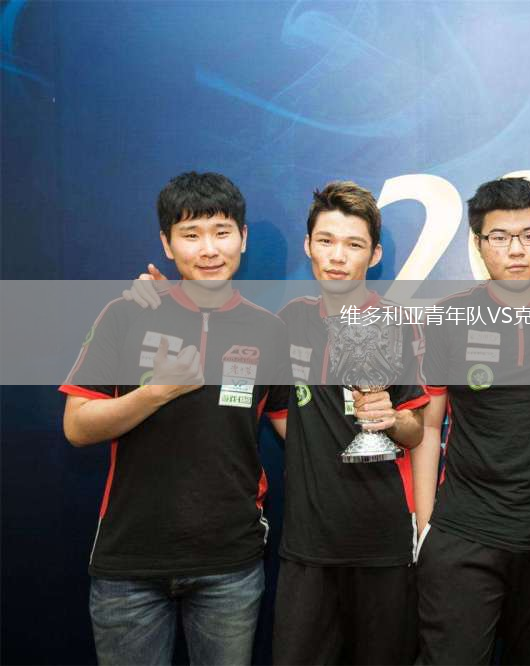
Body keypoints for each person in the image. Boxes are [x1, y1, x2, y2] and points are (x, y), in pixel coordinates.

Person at [124, 181, 429, 665]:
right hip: (306, 545)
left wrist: (391, 420)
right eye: (326, 241)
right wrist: (167, 301)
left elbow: (416, 431)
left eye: (353, 245)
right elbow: (276, 412)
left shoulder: (398, 323)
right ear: (308, 246)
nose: (337, 256)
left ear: (374, 256)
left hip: (383, 542)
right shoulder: (284, 324)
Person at [60, 172, 291, 665]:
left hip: (230, 564)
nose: (208, 249)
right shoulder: (127, 314)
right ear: (167, 244)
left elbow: (294, 429)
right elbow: (77, 427)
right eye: (190, 234)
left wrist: (385, 421)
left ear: (243, 238)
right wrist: (156, 392)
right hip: (130, 565)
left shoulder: (270, 332)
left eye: (221, 232)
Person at [413, 177, 530, 665]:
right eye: (499, 236)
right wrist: (426, 526)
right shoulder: (449, 316)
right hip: (465, 531)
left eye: (529, 235)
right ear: (478, 243)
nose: (515, 249)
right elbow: (428, 427)